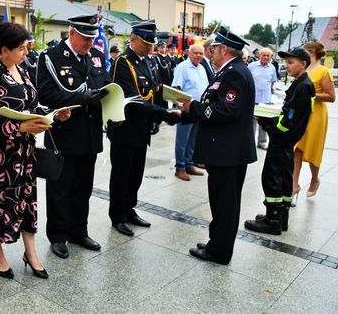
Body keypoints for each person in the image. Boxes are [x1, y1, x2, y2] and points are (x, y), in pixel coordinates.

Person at [0, 22, 71, 279]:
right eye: (21, 48)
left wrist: (53, 117)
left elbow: (32, 104)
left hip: (23, 154)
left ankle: (30, 252)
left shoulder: (22, 70)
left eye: (26, 48)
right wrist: (21, 126)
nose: (26, 53)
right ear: (4, 49)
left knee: (26, 203)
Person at [177, 26, 256, 265]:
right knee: (221, 201)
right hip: (225, 151)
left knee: (225, 204)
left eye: (213, 49)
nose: (210, 53)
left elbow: (225, 110)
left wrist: (193, 107)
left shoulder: (234, 73)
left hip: (228, 152)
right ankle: (216, 242)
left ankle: (220, 251)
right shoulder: (228, 70)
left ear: (223, 49)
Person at [36, 13, 111, 259]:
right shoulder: (51, 57)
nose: (90, 43)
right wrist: (82, 98)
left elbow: (106, 88)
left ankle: (79, 231)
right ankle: (58, 236)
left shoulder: (98, 57)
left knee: (83, 188)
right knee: (60, 189)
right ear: (71, 33)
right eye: (85, 38)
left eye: (92, 38)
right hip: (65, 134)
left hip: (90, 135)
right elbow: (45, 95)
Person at [108, 21, 175, 237]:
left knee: (136, 173)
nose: (150, 47)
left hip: (142, 127)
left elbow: (153, 91)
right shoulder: (123, 63)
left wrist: (154, 120)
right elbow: (133, 99)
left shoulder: (147, 62)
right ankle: (118, 215)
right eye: (146, 43)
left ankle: (129, 209)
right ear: (133, 39)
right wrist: (163, 114)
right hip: (125, 128)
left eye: (151, 43)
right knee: (121, 174)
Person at [244, 48, 315, 235]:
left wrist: (267, 123)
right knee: (283, 178)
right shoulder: (302, 83)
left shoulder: (303, 86)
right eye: (286, 62)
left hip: (282, 140)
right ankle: (280, 217)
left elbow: (288, 121)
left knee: (272, 178)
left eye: (291, 62)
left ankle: (273, 220)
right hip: (286, 142)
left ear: (303, 64)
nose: (286, 65)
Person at [292, 41, 336, 199]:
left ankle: (314, 178)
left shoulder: (323, 71)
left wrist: (311, 94)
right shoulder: (302, 69)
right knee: (296, 148)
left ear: (311, 52)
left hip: (316, 114)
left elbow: (331, 96)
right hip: (300, 112)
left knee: (312, 149)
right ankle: (294, 184)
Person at [172, 44, 209, 181]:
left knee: (192, 139)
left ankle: (189, 164)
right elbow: (177, 88)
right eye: (196, 53)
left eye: (201, 53)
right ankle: (180, 168)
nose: (199, 56)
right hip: (186, 109)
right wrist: (181, 108)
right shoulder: (183, 67)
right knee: (182, 140)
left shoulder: (202, 68)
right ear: (189, 53)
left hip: (198, 109)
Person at [248, 48, 277, 150]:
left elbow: (273, 81)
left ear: (270, 57)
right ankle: (250, 142)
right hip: (253, 98)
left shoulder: (272, 68)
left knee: (264, 122)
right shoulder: (251, 66)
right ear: (259, 56)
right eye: (263, 55)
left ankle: (262, 142)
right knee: (251, 122)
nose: (265, 57)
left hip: (265, 99)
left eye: (267, 56)